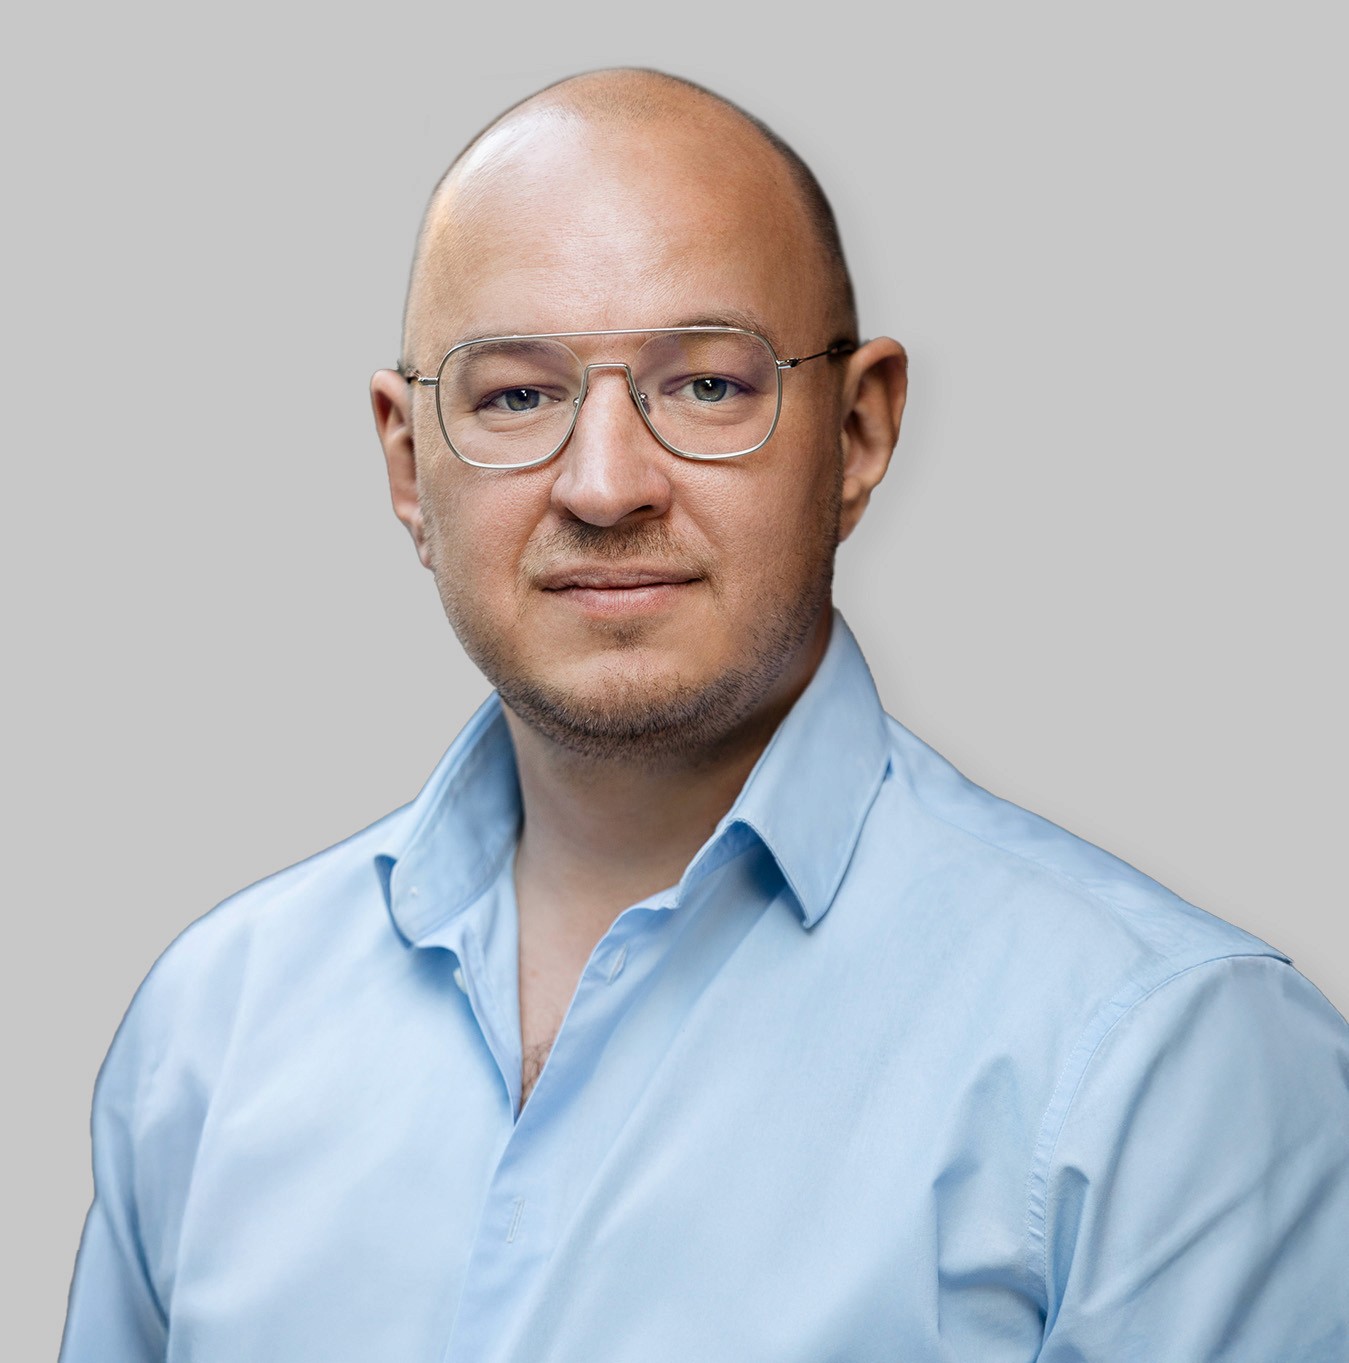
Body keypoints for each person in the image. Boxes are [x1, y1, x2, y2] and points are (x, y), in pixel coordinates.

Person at [61, 67, 1349, 1363]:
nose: (605, 485)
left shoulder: (1173, 1068)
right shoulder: (208, 1030)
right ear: (408, 462)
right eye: (515, 394)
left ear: (857, 431)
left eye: (706, 387)